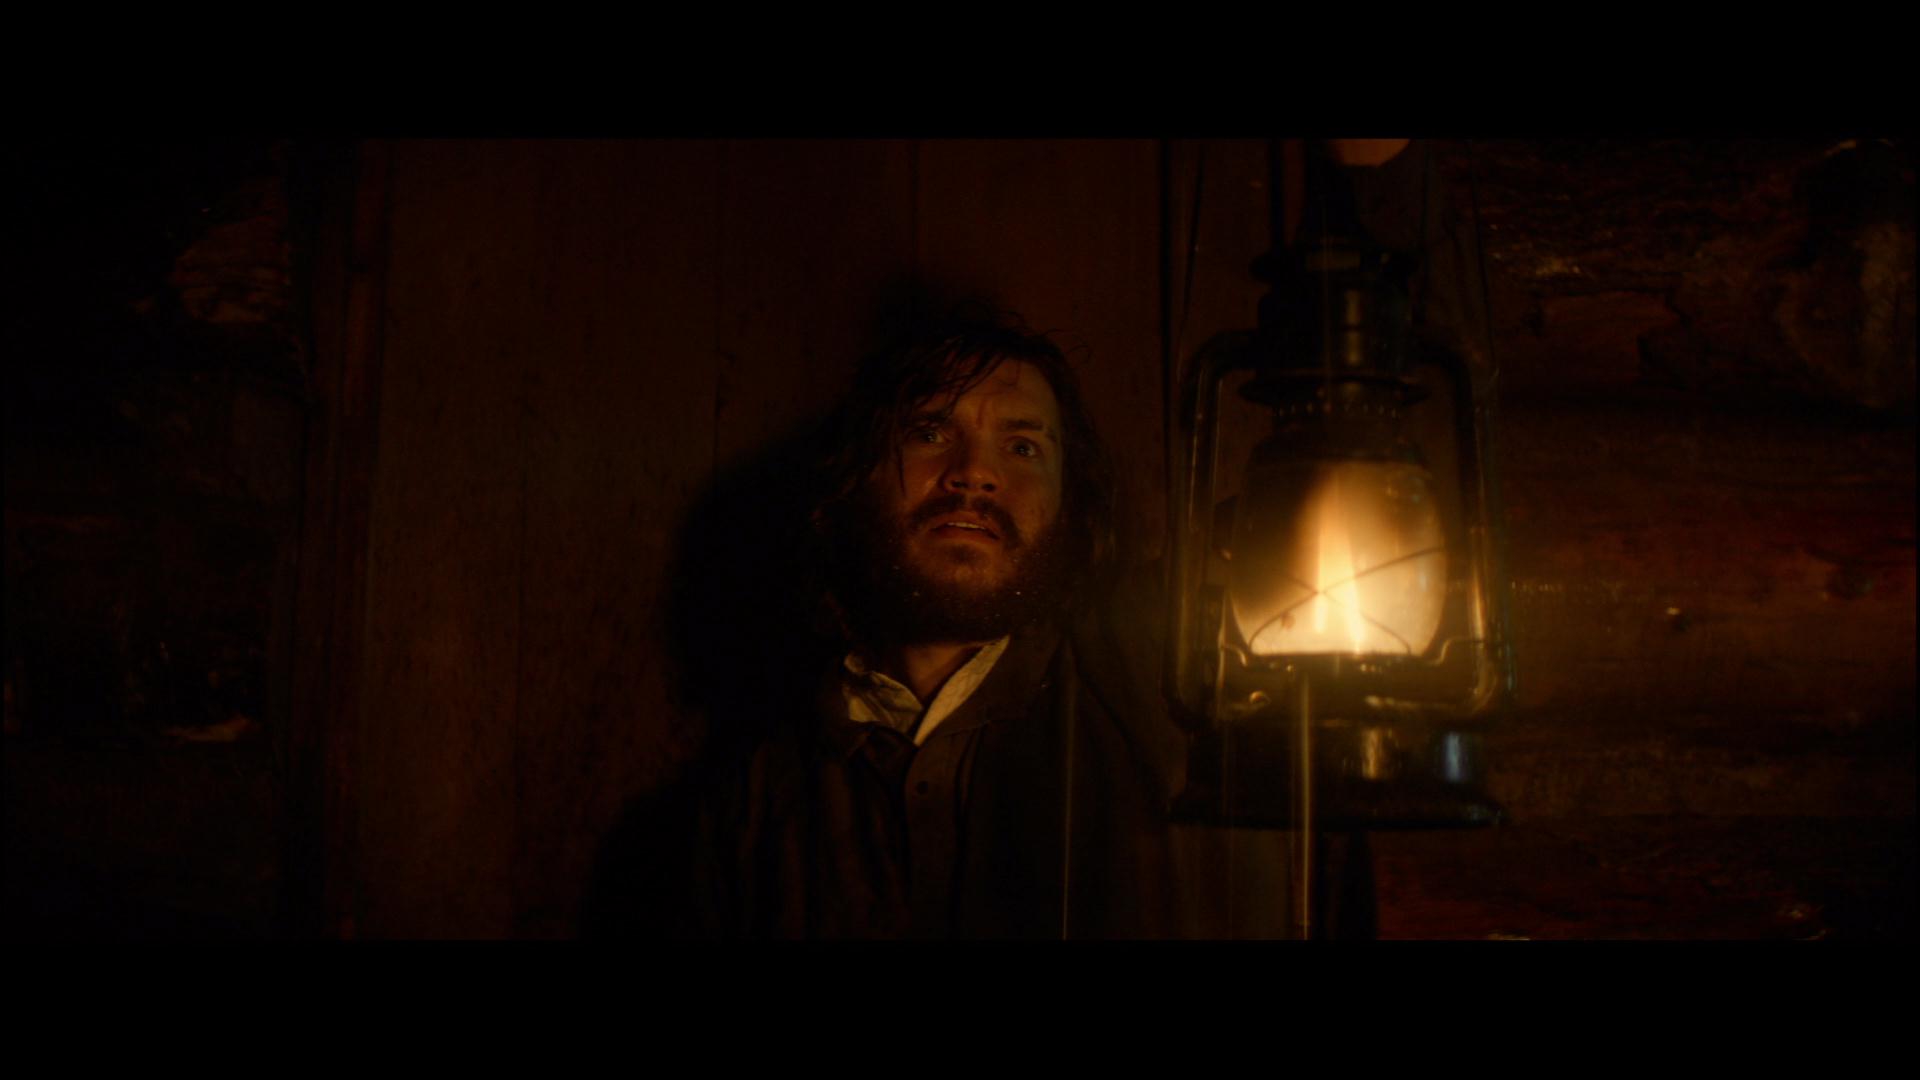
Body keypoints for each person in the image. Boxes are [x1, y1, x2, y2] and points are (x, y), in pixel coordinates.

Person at [676, 310, 1193, 939]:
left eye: (1023, 447)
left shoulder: (1145, 700)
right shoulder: (756, 793)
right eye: (929, 432)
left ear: (1067, 502)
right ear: (857, 473)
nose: (975, 472)